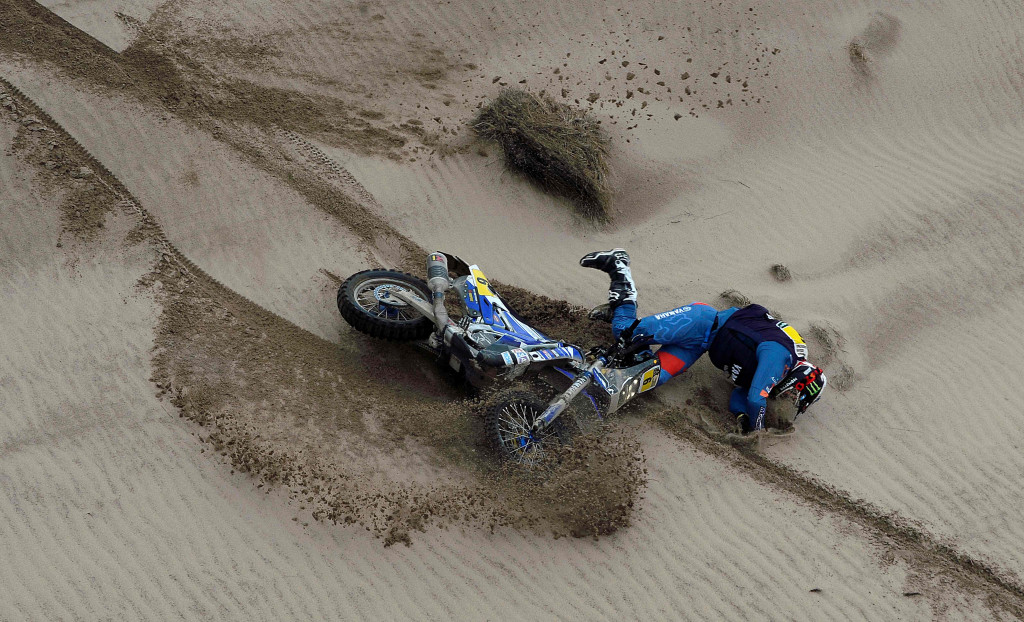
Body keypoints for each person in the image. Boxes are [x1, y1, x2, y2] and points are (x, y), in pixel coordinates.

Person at [580, 248, 826, 434]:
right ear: (802, 378)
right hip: (700, 321)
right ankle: (618, 266)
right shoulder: (781, 356)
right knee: (627, 336)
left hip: (699, 345)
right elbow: (755, 399)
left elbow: (741, 398)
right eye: (795, 395)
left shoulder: (773, 374)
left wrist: (743, 420)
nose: (788, 398)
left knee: (647, 374)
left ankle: (622, 317)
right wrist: (758, 430)